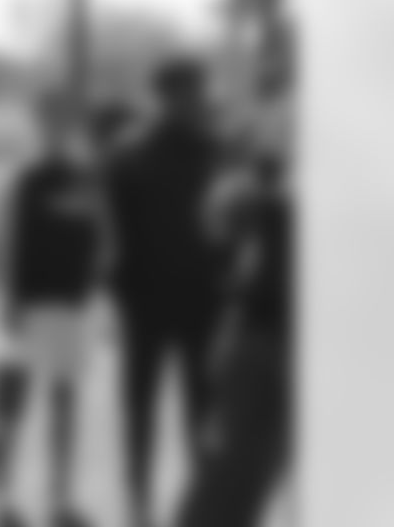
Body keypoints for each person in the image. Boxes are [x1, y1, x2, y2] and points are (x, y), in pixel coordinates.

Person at [106, 59, 226, 527]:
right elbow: (112, 233)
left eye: (198, 92)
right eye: (188, 94)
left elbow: (230, 231)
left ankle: (201, 508)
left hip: (203, 304)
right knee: (140, 408)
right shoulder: (129, 154)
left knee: (202, 411)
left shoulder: (216, 151)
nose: (196, 101)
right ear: (167, 97)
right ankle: (139, 505)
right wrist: (120, 295)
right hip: (145, 305)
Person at [0, 100, 112, 527]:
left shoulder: (87, 180)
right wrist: (6, 300)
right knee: (12, 405)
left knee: (65, 404)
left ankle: (61, 500)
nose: (56, 131)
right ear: (37, 126)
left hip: (71, 308)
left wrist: (95, 292)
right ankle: (2, 499)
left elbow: (104, 244)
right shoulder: (20, 180)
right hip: (26, 307)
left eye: (64, 122)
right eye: (48, 122)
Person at [173, 127, 293, 527]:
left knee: (254, 471)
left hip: (276, 340)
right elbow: (218, 224)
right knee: (234, 471)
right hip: (261, 338)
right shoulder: (262, 199)